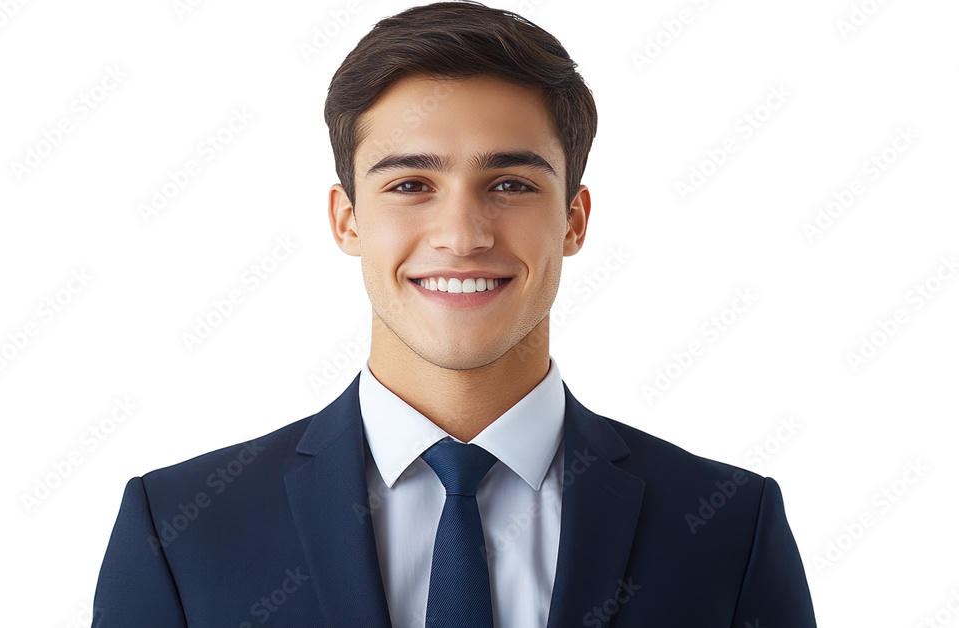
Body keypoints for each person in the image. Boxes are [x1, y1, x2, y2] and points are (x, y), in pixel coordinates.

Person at [90, 2, 817, 626]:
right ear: (346, 221)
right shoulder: (180, 530)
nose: (463, 235)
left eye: (508, 183)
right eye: (410, 184)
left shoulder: (729, 527)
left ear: (573, 220)